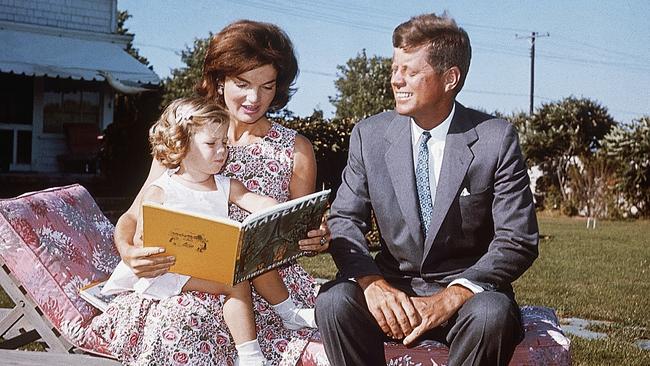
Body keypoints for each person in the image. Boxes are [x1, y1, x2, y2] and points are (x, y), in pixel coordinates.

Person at [91, 20, 329, 365]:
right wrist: (129, 252)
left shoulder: (295, 149)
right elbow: (134, 215)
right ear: (219, 82)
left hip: (269, 288)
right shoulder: (183, 139)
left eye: (267, 86)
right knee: (183, 320)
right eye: (242, 83)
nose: (254, 98)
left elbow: (294, 227)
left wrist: (315, 238)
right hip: (189, 278)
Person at [316, 13, 539, 366]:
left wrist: (453, 296)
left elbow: (517, 239)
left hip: (467, 297)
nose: (396, 81)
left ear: (450, 78)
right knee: (333, 300)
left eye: (410, 71)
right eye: (394, 69)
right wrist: (372, 282)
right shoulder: (369, 135)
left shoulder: (495, 139)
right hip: (392, 289)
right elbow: (344, 219)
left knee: (491, 314)